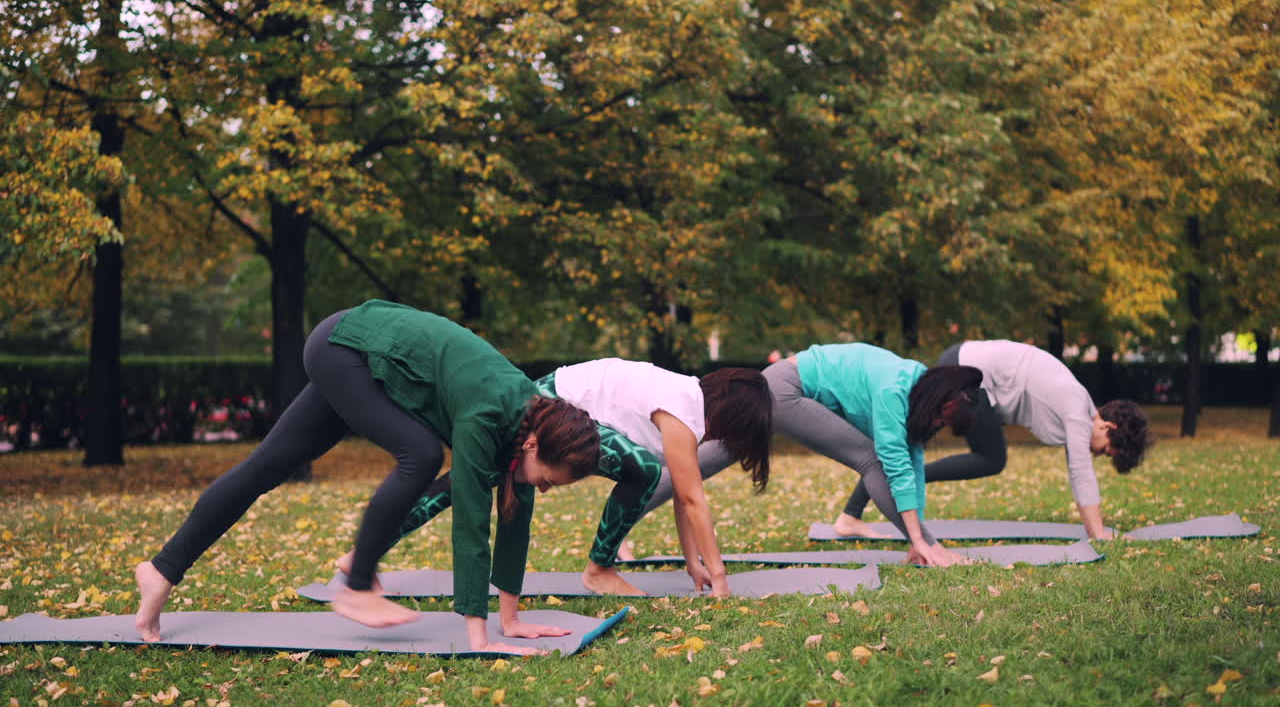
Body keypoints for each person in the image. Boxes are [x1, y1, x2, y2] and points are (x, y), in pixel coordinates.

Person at [133, 300, 600, 655]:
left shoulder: (529, 424)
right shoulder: (490, 413)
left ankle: (160, 570)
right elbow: (473, 521)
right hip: (346, 346)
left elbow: (516, 519)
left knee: (265, 468)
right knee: (419, 453)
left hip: (369, 362)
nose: (544, 488)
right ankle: (357, 587)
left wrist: (511, 619)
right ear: (537, 446)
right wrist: (480, 636)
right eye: (550, 480)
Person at [338, 358, 773, 597]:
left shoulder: (685, 398)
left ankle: (364, 553)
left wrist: (694, 563)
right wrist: (719, 575)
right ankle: (599, 569)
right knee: (641, 470)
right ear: (734, 417)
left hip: (551, 400)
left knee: (463, 482)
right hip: (552, 406)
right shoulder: (683, 407)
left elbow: (683, 498)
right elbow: (693, 498)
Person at [636, 343, 983, 567]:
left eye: (943, 423)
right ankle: (621, 522)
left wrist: (919, 538)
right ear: (936, 398)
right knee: (872, 460)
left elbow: (914, 462)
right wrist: (924, 541)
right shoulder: (896, 388)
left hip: (778, 385)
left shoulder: (917, 390)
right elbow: (893, 463)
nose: (937, 424)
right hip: (786, 390)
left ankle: (622, 519)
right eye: (940, 416)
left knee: (696, 466)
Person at [843, 340, 1151, 539]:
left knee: (907, 442)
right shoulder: (1075, 405)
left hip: (970, 372)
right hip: (969, 373)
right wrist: (1098, 535)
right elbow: (1081, 473)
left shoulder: (1077, 405)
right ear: (1108, 426)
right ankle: (866, 508)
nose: (1101, 455)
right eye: (1108, 451)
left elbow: (1078, 466)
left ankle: (849, 517)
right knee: (990, 457)